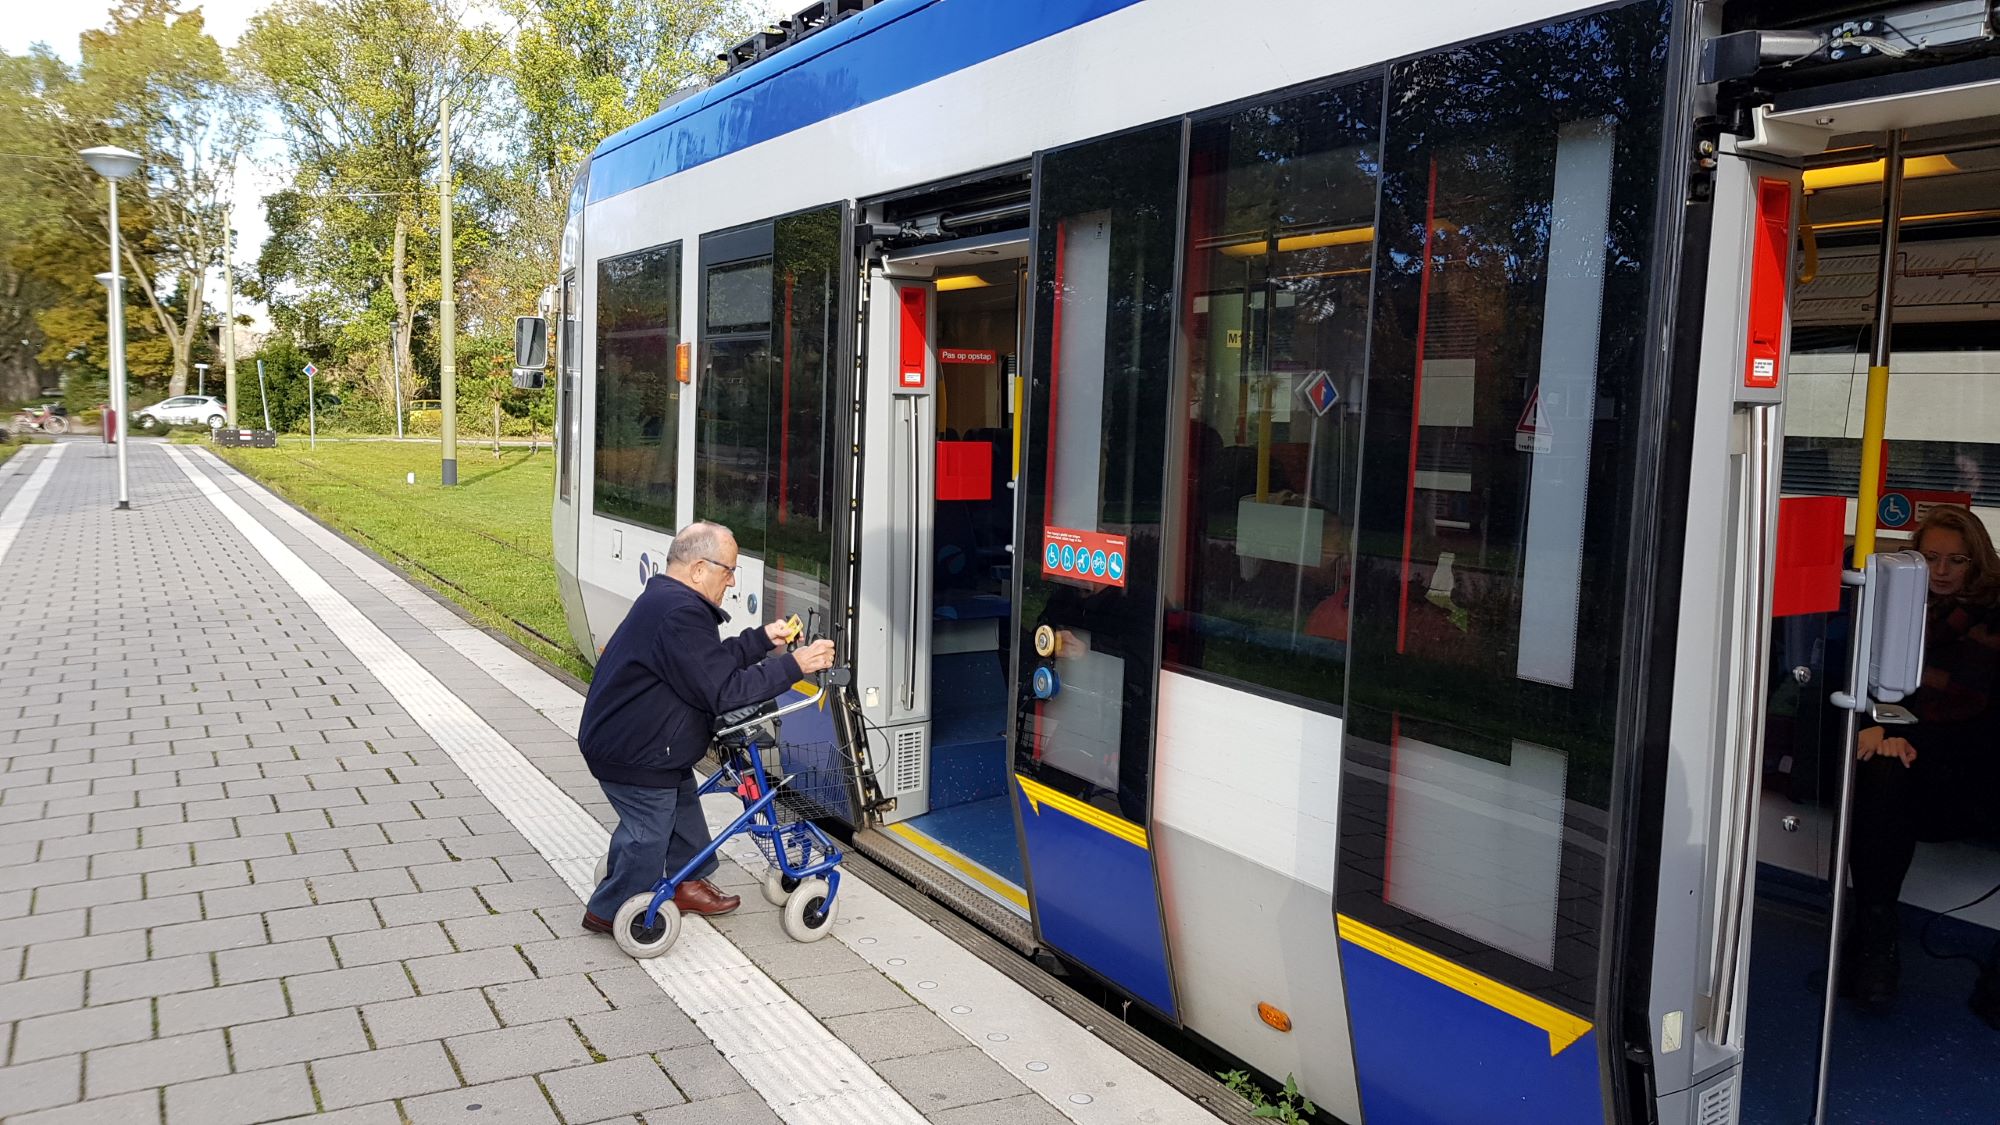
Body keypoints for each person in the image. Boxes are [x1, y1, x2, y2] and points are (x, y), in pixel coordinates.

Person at [577, 520, 836, 934]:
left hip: (642, 741)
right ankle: (610, 910)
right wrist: (795, 665)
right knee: (647, 834)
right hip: (635, 750)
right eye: (728, 570)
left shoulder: (666, 599)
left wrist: (761, 640)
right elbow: (723, 691)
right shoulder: (680, 613)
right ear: (699, 569)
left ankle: (687, 880)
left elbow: (704, 664)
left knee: (681, 807)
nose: (732, 582)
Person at [1844, 505, 2000, 1023]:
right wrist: (1877, 727)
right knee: (1881, 774)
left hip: (1976, 769)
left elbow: (1975, 703)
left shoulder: (1993, 617)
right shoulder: (1893, 604)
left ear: (1977, 564)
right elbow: (1859, 680)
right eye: (1931, 558)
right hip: (1914, 766)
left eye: (1957, 560)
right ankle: (1875, 944)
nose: (1942, 571)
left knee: (1891, 765)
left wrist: (1900, 733)